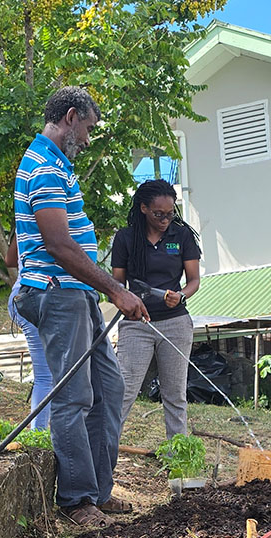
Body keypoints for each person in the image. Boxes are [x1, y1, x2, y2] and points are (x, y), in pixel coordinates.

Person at [11, 86, 148, 529]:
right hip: (58, 294)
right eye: (88, 128)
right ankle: (76, 501)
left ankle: (97, 491)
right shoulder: (44, 168)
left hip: (76, 293)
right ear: (71, 117)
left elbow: (30, 245)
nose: (89, 139)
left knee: (108, 391)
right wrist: (116, 290)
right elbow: (59, 245)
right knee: (72, 397)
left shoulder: (57, 166)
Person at [111, 179, 202, 439]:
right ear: (143, 209)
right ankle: (105, 453)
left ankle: (179, 460)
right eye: (158, 214)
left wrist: (181, 296)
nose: (165, 220)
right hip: (136, 324)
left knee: (174, 394)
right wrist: (125, 300)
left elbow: (194, 280)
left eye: (170, 214)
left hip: (175, 323)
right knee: (124, 390)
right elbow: (117, 284)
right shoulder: (126, 238)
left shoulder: (181, 236)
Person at [5, 242, 51, 430]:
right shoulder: (53, 219)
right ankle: (38, 435)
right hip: (35, 298)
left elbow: (9, 260)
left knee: (47, 375)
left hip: (21, 296)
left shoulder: (25, 220)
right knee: (47, 376)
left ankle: (41, 434)